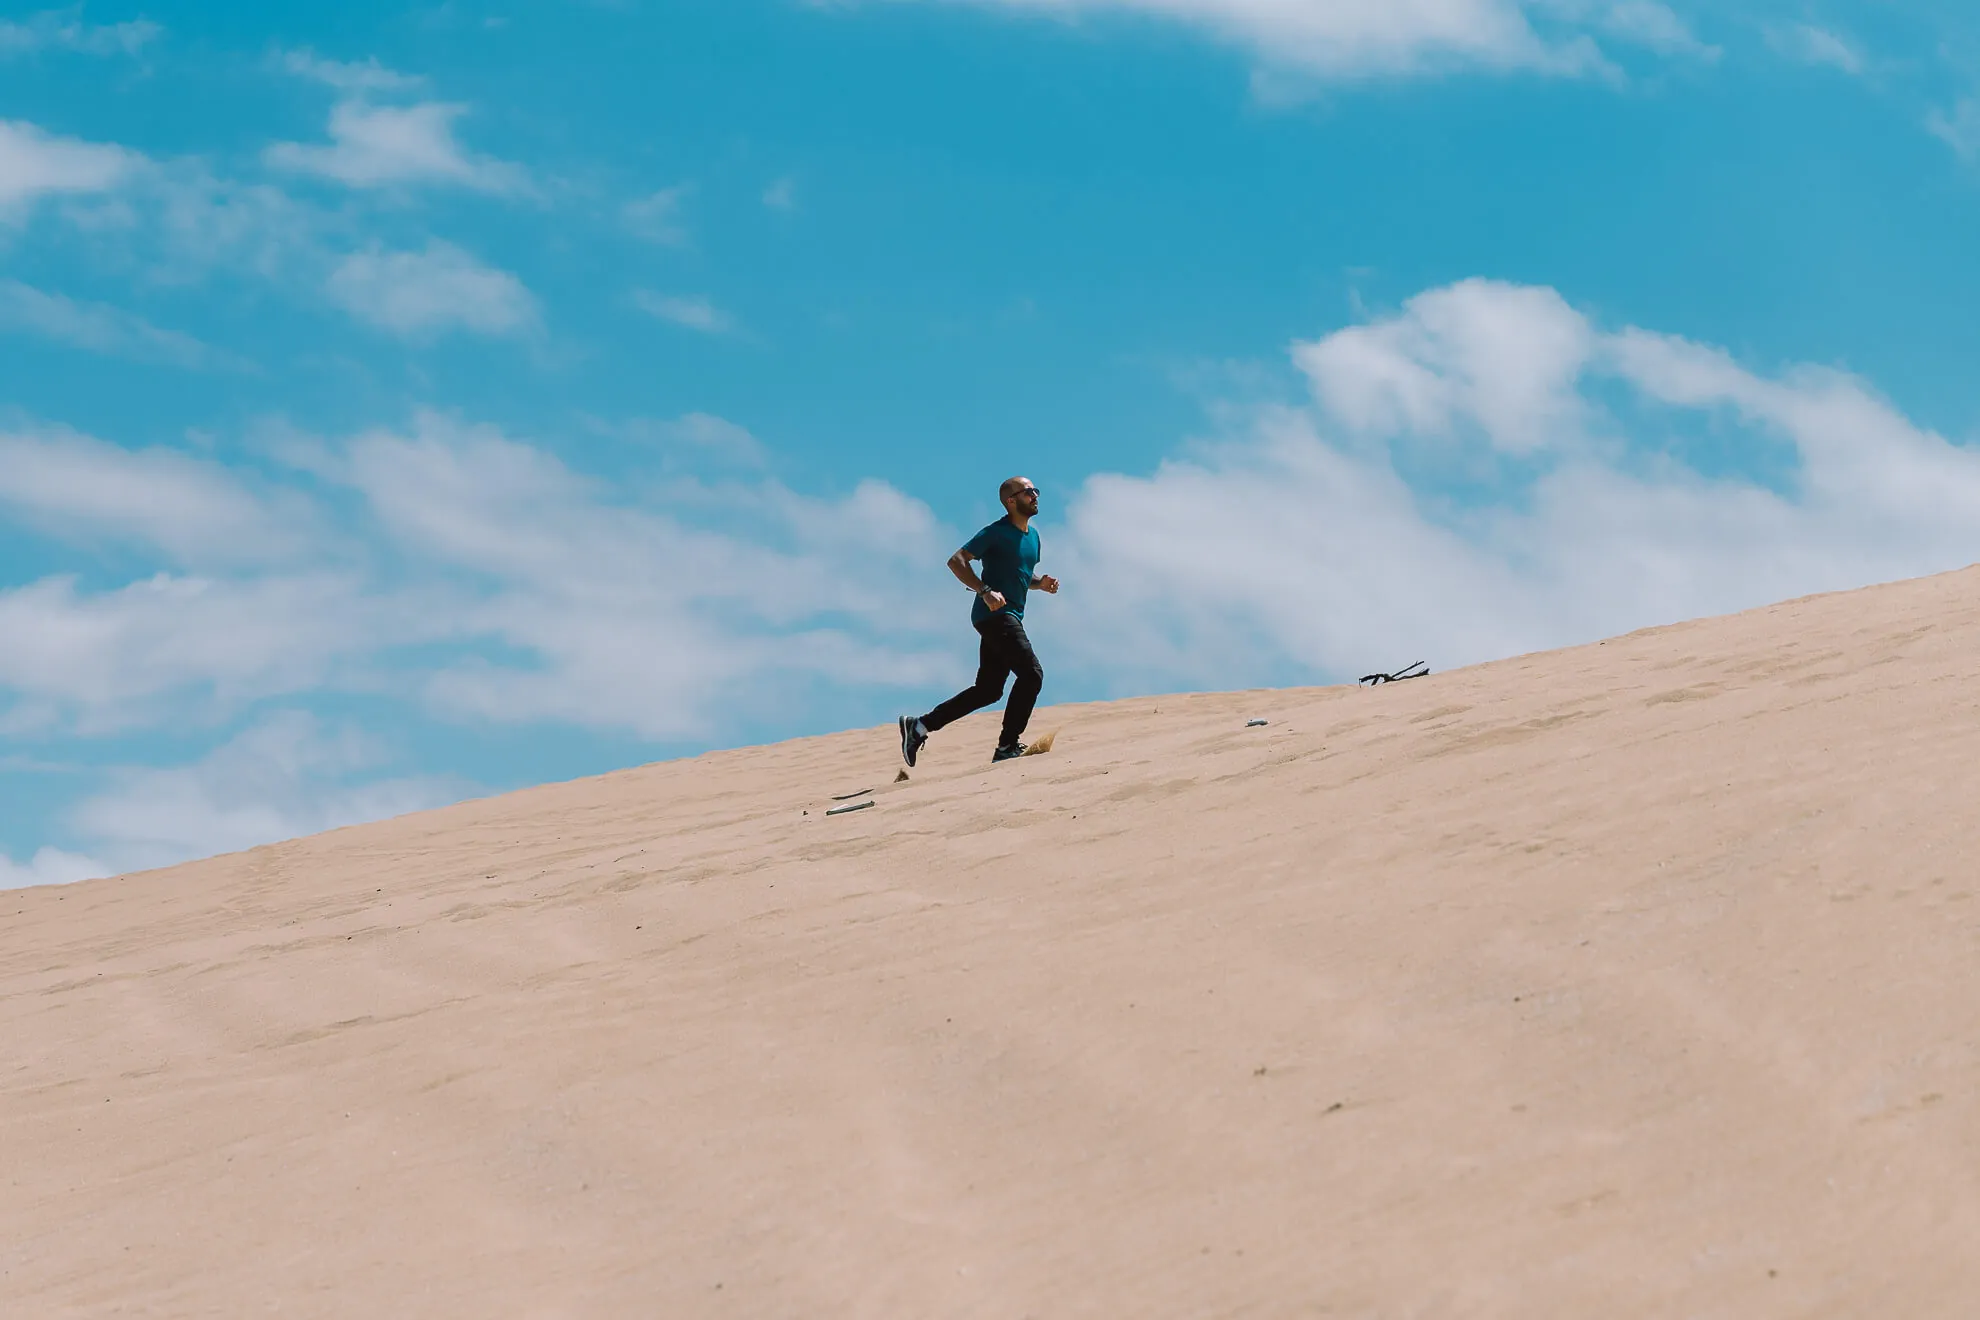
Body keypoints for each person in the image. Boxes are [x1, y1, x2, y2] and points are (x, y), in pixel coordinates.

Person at [900, 476, 1060, 766]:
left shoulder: (1033, 537)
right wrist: (984, 590)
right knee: (1031, 674)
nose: (1035, 496)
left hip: (1006, 616)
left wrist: (1041, 584)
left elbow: (1020, 575)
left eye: (1035, 491)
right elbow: (956, 561)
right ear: (1011, 501)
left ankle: (920, 726)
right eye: (1028, 492)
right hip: (996, 616)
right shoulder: (995, 533)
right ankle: (1007, 746)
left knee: (988, 690)